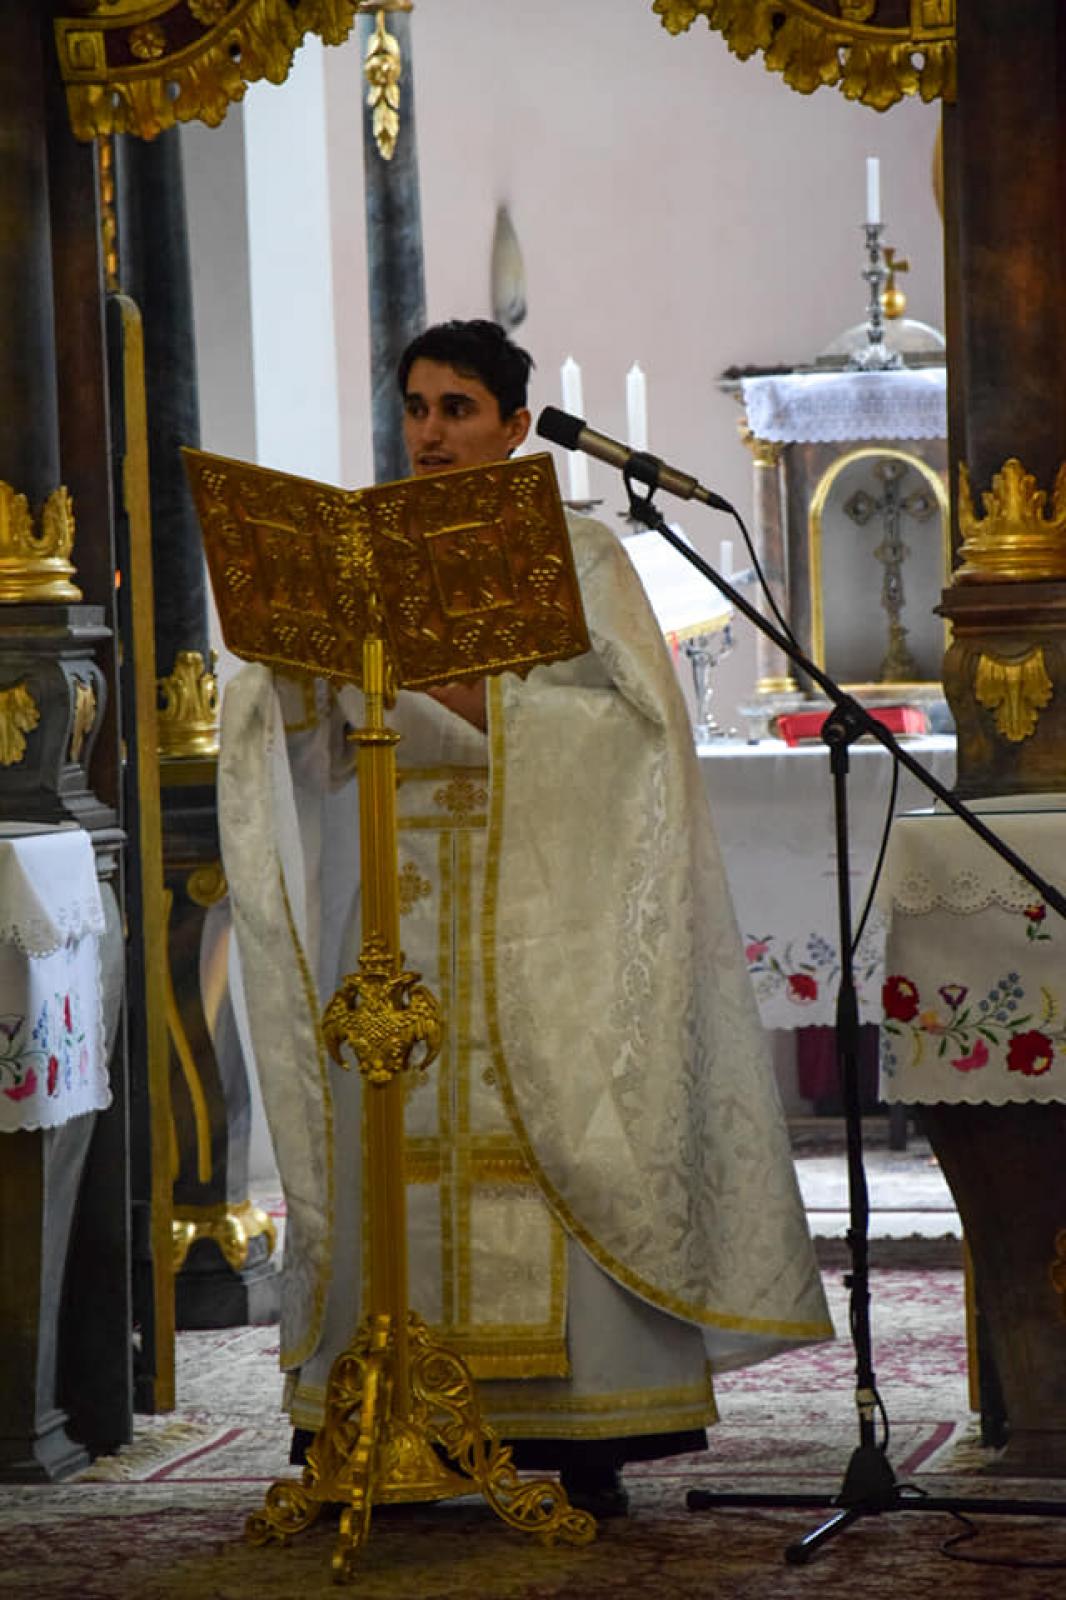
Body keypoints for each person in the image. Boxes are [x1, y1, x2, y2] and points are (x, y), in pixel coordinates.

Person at [219, 320, 832, 1517]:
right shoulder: (362, 552)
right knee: (386, 1137)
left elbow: (637, 731)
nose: (430, 431)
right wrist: (289, 673)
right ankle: (389, 1414)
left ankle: (576, 1430)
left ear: (512, 425)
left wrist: (463, 697)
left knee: (552, 1122)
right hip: (393, 900)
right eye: (416, 407)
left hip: (541, 915)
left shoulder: (581, 553)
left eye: (457, 408)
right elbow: (305, 734)